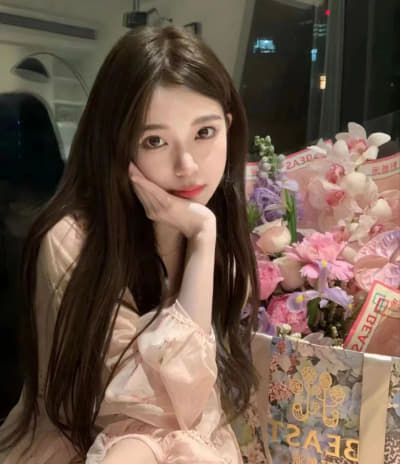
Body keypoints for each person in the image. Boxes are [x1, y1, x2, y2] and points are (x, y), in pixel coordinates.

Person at [0, 26, 260, 463]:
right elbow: (159, 409)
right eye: (154, 141)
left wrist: (203, 236)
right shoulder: (72, 240)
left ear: (228, 128)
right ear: (119, 146)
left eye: (205, 132)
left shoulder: (216, 222)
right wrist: (201, 237)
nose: (187, 166)